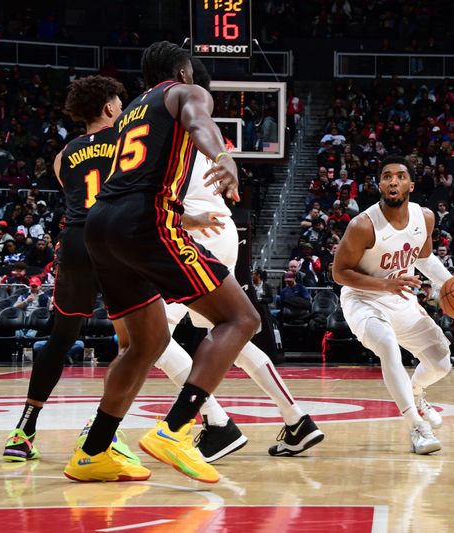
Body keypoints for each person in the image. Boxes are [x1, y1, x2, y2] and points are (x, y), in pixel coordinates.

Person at [65, 42, 261, 484]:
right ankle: (176, 429)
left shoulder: (133, 109)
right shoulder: (183, 92)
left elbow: (134, 177)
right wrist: (224, 157)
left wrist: (184, 214)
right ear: (183, 69)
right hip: (142, 221)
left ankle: (94, 450)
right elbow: (199, 122)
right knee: (241, 317)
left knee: (145, 343)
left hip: (102, 225)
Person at [151, 59, 323, 461]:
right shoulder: (206, 128)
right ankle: (295, 419)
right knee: (229, 333)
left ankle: (215, 423)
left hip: (192, 231)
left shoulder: (167, 122)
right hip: (222, 230)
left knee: (151, 336)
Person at [2, 76, 141, 463]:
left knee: (60, 337)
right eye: (119, 102)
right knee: (131, 343)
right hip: (117, 239)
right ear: (112, 109)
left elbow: (75, 193)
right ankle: (102, 431)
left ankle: (24, 430)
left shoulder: (64, 155)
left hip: (78, 241)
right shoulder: (129, 141)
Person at [333, 155, 454, 455]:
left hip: (400, 298)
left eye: (400, 176)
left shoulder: (424, 217)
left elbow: (424, 257)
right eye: (387, 176)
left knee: (441, 361)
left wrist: (452, 282)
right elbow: (339, 273)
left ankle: (416, 392)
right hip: (363, 300)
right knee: (387, 344)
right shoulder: (363, 224)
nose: (393, 181)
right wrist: (385, 284)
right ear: (379, 184)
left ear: (410, 185)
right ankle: (417, 426)